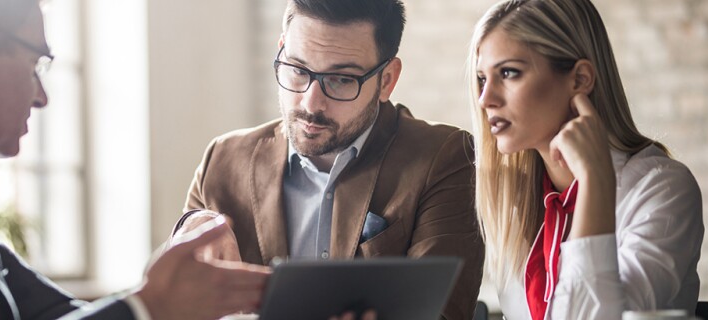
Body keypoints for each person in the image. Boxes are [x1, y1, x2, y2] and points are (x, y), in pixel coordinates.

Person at [0, 0, 275, 319]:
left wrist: (166, 303)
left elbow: (55, 313)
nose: (41, 97)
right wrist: (149, 308)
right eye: (34, 65)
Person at [174, 0, 485, 319]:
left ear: (387, 80)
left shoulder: (446, 158)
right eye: (297, 70)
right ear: (281, 51)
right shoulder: (223, 159)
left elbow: (442, 312)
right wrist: (189, 232)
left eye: (341, 80)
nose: (311, 102)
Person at [467, 0, 704, 319]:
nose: (486, 99)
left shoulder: (661, 188)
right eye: (482, 78)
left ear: (579, 79)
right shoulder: (516, 201)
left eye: (509, 73)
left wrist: (595, 182)